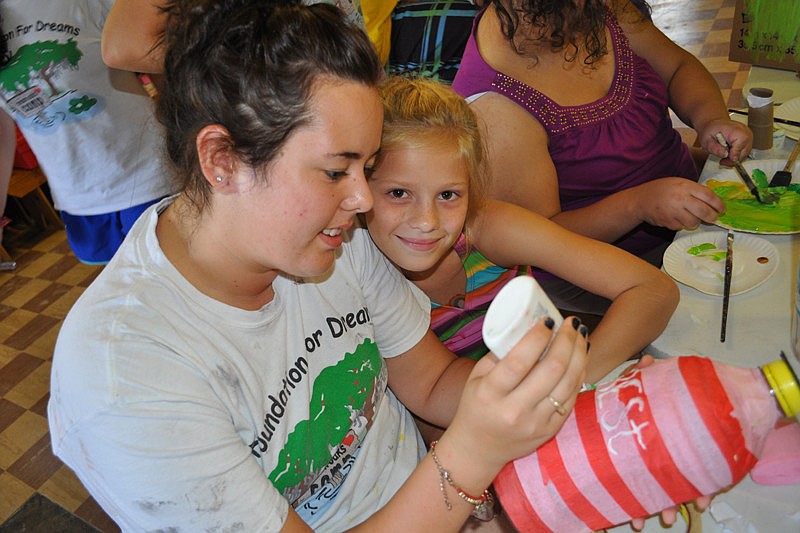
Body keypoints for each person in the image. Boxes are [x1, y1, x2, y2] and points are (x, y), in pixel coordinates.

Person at [48, 2, 590, 530]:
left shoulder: (331, 237)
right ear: (223, 159)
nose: (363, 200)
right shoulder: (127, 379)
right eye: (336, 171)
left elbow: (430, 381)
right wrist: (474, 452)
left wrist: (516, 389)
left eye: (368, 167)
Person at [365, 75, 678, 395]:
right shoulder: (361, 283)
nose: (426, 221)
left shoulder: (486, 226)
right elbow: (431, 419)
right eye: (399, 192)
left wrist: (570, 385)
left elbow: (652, 289)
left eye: (448, 195)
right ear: (359, 189)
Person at [451, 0, 752, 314]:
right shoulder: (494, 109)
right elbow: (541, 237)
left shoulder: (593, 8)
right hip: (602, 274)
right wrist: (639, 205)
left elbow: (676, 68)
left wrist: (711, 119)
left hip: (685, 218)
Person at [0, 0, 175, 264]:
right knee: (131, 293)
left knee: (185, 287)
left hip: (148, 178)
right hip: (77, 201)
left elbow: (164, 64)